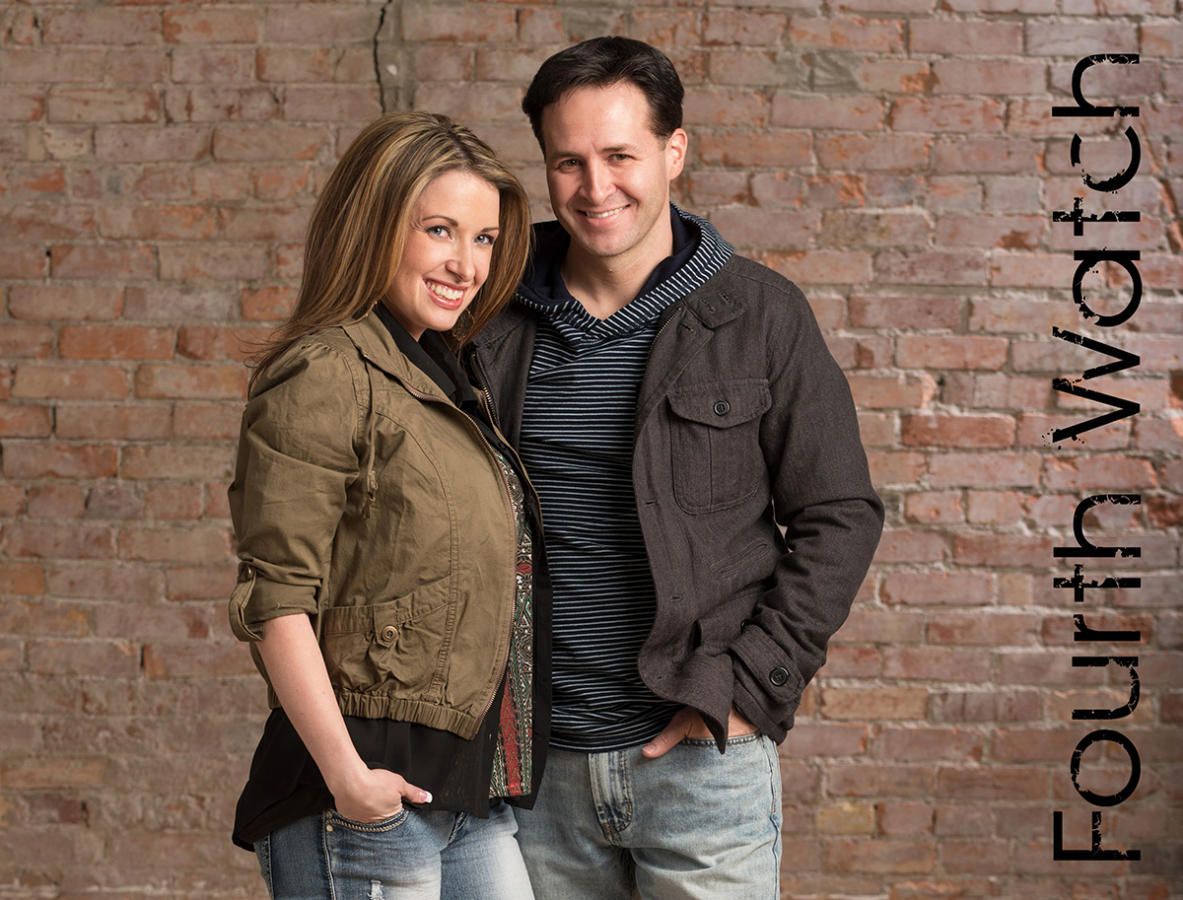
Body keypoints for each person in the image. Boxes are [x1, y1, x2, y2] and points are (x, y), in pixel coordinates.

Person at [465, 37, 884, 898]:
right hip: (531, 779)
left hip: (701, 771)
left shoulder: (761, 316)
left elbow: (839, 513)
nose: (595, 188)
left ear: (673, 151)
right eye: (568, 162)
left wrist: (750, 686)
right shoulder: (486, 313)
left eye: (620, 155)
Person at [225, 111, 547, 900]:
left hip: (466, 791)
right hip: (367, 794)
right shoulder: (325, 372)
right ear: (374, 227)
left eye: (483, 238)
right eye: (439, 230)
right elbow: (276, 599)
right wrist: (348, 778)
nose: (466, 264)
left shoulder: (447, 374)